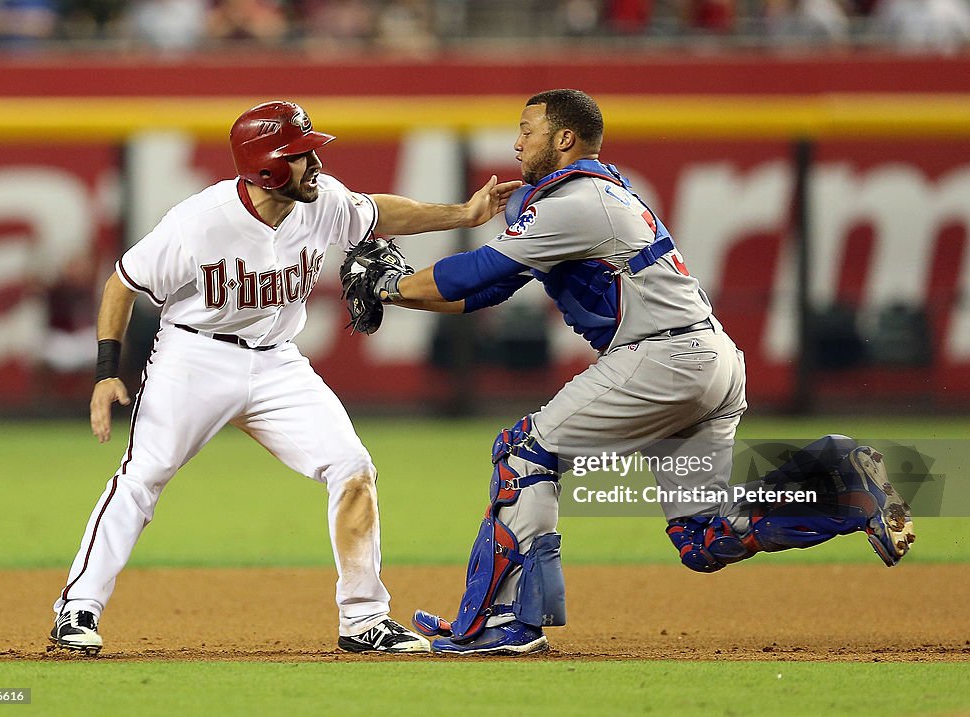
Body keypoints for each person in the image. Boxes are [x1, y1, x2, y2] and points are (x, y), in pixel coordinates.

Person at [358, 88, 916, 655]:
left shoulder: (577, 202)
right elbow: (485, 291)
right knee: (704, 538)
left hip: (663, 358)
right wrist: (399, 293)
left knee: (524, 453)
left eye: (528, 129)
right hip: (707, 361)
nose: (517, 141)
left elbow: (474, 271)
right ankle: (839, 484)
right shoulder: (590, 196)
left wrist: (387, 284)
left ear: (565, 138)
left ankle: (506, 623)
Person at [48, 100, 521, 656]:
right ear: (267, 167)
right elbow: (121, 284)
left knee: (352, 467)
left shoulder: (321, 201)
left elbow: (378, 213)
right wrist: (106, 373)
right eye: (300, 154)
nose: (315, 161)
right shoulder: (199, 221)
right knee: (143, 476)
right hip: (194, 358)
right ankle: (76, 609)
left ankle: (365, 619)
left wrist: (463, 216)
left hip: (277, 360)